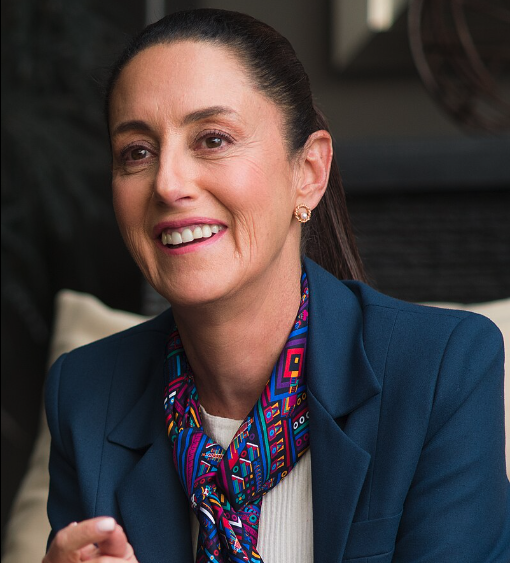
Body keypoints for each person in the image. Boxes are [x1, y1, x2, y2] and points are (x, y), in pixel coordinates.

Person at [42, 8, 509, 563]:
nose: (167, 183)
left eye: (212, 139)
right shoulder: (85, 394)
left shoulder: (442, 370)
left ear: (308, 172)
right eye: (136, 152)